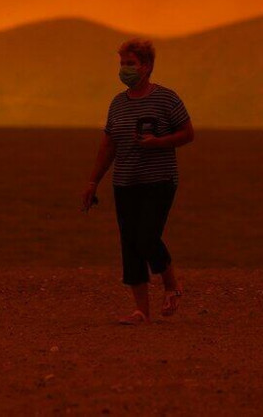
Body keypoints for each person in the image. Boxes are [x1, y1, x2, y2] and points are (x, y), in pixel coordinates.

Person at [80, 37, 195, 325]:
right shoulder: (117, 104)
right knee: (130, 244)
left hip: (159, 181)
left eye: (130, 64)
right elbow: (108, 146)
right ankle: (141, 311)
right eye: (122, 64)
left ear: (147, 66)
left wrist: (159, 142)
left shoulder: (166, 98)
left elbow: (187, 133)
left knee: (147, 237)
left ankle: (171, 285)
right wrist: (93, 181)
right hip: (125, 182)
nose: (124, 69)